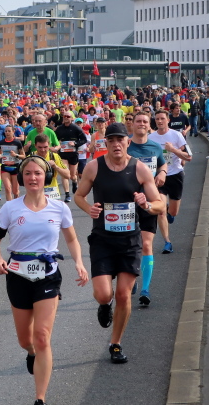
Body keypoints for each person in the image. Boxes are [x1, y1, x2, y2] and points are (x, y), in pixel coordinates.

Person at [0, 156, 89, 405]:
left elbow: (72, 239)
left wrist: (78, 262)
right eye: (28, 173)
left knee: (42, 336)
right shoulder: (10, 208)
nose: (33, 177)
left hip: (48, 275)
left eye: (38, 173)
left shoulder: (59, 208)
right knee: (26, 340)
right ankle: (30, 352)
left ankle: (40, 398)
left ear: (46, 177)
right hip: (18, 276)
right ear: (22, 178)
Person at [74, 122, 164, 363]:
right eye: (111, 140)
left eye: (120, 139)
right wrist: (89, 209)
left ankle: (115, 343)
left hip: (129, 240)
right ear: (106, 143)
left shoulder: (140, 169)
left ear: (128, 142)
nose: (115, 144)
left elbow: (159, 205)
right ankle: (105, 305)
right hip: (102, 239)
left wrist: (146, 204)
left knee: (124, 295)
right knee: (104, 294)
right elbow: (79, 196)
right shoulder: (94, 167)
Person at [127, 112, 168, 306]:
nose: (142, 124)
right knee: (129, 246)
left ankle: (145, 289)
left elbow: (162, 163)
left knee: (146, 245)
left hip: (148, 202)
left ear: (148, 124)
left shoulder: (155, 147)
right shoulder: (126, 146)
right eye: (138, 121)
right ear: (132, 124)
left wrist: (163, 172)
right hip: (127, 203)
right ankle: (132, 276)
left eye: (145, 121)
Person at [149, 110, 192, 253]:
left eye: (162, 118)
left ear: (168, 120)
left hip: (175, 175)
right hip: (159, 177)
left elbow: (189, 157)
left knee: (173, 212)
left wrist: (173, 149)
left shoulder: (177, 135)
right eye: (157, 119)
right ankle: (167, 242)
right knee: (160, 211)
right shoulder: (151, 138)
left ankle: (170, 212)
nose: (160, 121)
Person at [54, 111, 87, 202]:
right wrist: (57, 144)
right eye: (64, 116)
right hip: (63, 154)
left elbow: (84, 140)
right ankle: (67, 194)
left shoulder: (76, 128)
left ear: (71, 118)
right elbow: (55, 139)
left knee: (72, 176)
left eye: (68, 116)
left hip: (73, 154)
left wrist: (75, 143)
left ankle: (74, 182)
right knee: (65, 174)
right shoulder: (59, 129)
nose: (66, 117)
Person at [34, 135, 69, 201]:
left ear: (49, 145)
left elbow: (67, 175)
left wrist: (55, 167)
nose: (43, 150)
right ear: (35, 146)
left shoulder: (54, 156)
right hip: (36, 192)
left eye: (45, 147)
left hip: (52, 192)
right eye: (40, 147)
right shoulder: (31, 158)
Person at [0, 125, 25, 201]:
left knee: (15, 191)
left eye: (9, 131)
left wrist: (16, 155)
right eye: (6, 131)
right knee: (7, 188)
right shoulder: (1, 143)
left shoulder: (17, 142)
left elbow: (23, 156)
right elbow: (0, 154)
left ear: (13, 132)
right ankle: (9, 206)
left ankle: (16, 204)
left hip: (15, 168)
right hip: (5, 167)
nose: (7, 133)